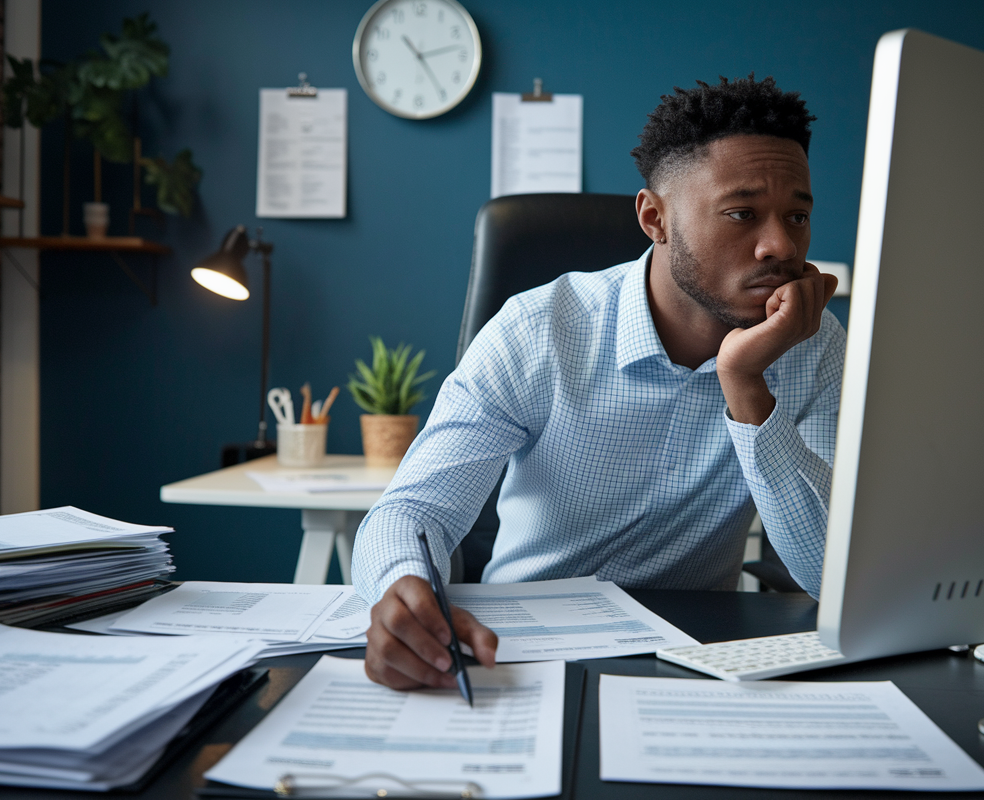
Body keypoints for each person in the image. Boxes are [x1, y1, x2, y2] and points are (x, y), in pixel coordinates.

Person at [353, 74, 843, 692]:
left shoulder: (813, 344)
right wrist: (402, 591)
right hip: (520, 653)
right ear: (655, 218)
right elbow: (413, 509)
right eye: (742, 213)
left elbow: (834, 574)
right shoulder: (539, 329)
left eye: (797, 216)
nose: (779, 245)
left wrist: (746, 386)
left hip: (695, 664)